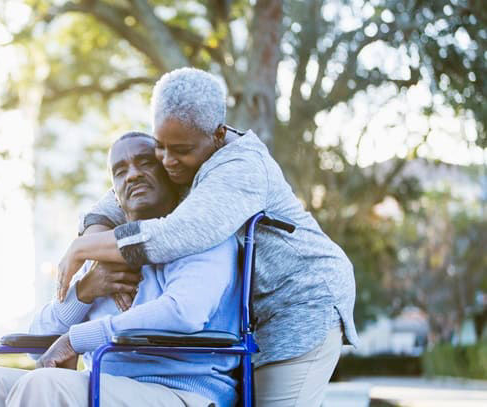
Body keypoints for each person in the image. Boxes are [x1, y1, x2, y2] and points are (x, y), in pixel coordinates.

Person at [57, 68, 360, 407]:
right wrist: (94, 242)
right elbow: (113, 201)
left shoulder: (239, 168)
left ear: (217, 134)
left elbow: (176, 235)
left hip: (301, 301)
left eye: (180, 150)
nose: (168, 161)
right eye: (160, 147)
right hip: (253, 315)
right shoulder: (185, 157)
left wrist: (84, 248)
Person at [0, 132, 242, 407]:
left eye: (145, 163)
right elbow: (35, 345)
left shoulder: (202, 233)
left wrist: (77, 338)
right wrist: (85, 290)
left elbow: (183, 312)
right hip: (105, 383)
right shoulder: (102, 248)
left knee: (45, 385)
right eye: (120, 171)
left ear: (171, 174)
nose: (133, 174)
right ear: (115, 195)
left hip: (182, 390)